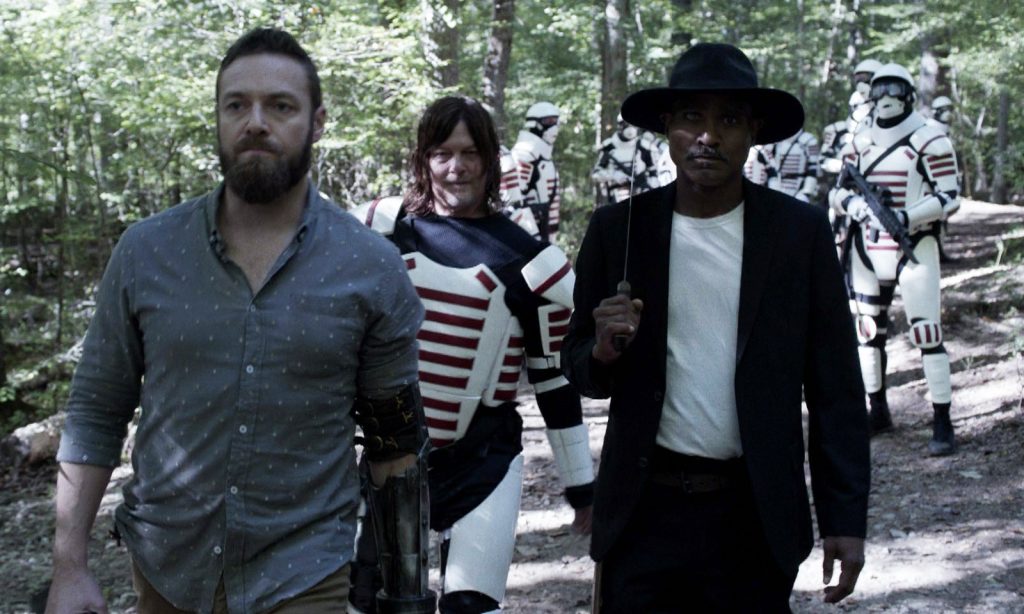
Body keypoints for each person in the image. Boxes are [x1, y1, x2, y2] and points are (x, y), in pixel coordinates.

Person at [45, 28, 431, 613]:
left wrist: (406, 594)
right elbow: (97, 409)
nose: (255, 122)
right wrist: (69, 566)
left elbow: (393, 439)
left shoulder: (371, 267)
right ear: (219, 119)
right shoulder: (146, 253)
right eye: (236, 105)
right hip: (167, 567)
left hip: (305, 572)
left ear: (317, 122)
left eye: (280, 106)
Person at [561, 43, 870, 612]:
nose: (708, 136)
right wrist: (601, 351)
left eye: (728, 119)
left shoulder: (797, 235)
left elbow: (837, 389)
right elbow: (579, 366)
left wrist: (845, 519)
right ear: (667, 127)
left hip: (753, 514)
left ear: (754, 132)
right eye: (691, 117)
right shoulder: (619, 230)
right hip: (643, 513)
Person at [351, 96, 595, 613]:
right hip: (382, 461)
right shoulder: (380, 229)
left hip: (484, 465)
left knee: (473, 607)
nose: (455, 168)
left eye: (470, 153)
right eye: (442, 153)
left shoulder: (531, 261)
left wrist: (582, 490)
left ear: (490, 159)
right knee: (365, 602)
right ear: (423, 159)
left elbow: (553, 379)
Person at [829, 63, 960, 455]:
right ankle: (877, 409)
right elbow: (837, 191)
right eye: (879, 89)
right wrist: (853, 205)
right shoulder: (859, 141)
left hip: (914, 245)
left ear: (908, 94)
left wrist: (907, 217)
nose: (885, 97)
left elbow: (949, 197)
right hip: (866, 246)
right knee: (867, 332)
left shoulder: (930, 139)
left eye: (894, 89)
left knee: (927, 332)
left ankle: (942, 418)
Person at [502, 101, 563, 241]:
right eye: (549, 121)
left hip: (544, 233)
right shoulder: (524, 155)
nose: (554, 127)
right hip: (527, 236)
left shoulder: (543, 156)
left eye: (556, 122)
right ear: (535, 123)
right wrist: (533, 238)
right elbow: (514, 202)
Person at [591, 115, 663, 207]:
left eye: (633, 124)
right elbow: (596, 174)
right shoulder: (609, 147)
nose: (630, 128)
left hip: (642, 196)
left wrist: (649, 190)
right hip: (616, 197)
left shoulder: (644, 146)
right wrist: (613, 175)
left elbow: (655, 173)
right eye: (626, 124)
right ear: (620, 126)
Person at [765, 128, 821, 203]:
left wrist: (806, 193)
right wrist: (773, 186)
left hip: (800, 190)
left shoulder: (809, 140)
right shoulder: (777, 140)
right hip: (778, 187)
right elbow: (770, 165)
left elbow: (813, 169)